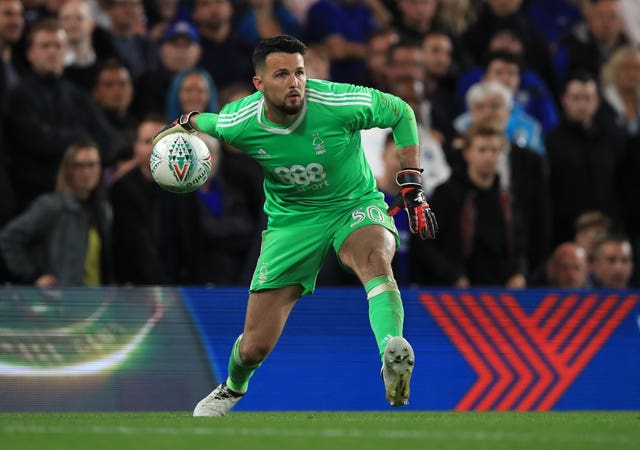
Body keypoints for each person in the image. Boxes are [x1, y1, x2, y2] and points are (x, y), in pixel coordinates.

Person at [153, 35, 437, 415]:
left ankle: (391, 350)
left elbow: (401, 111)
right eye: (282, 74)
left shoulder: (337, 102)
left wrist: (412, 185)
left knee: (375, 258)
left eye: (300, 73)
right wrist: (187, 122)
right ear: (259, 84)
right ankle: (232, 388)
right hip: (292, 222)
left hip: (351, 204)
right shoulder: (242, 122)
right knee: (254, 345)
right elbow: (212, 122)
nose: (295, 83)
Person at [0, 140, 113, 286]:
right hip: (61, 300)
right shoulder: (51, 206)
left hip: (97, 299)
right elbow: (9, 238)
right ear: (68, 170)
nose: (86, 172)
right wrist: (34, 275)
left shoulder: (103, 211)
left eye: (92, 164)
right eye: (79, 166)